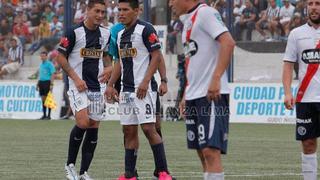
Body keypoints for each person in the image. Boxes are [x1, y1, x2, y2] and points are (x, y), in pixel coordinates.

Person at [105, 0, 173, 179]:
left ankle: (163, 172)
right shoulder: (119, 34)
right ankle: (130, 174)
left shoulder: (146, 29)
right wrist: (111, 84)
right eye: (119, 9)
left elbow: (157, 55)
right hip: (126, 92)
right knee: (128, 131)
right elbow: (119, 62)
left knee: (149, 129)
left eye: (125, 9)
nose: (121, 13)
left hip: (143, 90)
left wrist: (146, 81)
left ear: (136, 11)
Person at [170, 0, 235, 179]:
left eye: (172, 0)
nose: (170, 4)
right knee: (201, 151)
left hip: (211, 94)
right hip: (193, 94)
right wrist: (185, 94)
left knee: (210, 151)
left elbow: (228, 42)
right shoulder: (187, 22)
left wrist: (216, 78)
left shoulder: (206, 13)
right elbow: (194, 63)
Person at [55, 0, 111, 179]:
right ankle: (69, 164)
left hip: (98, 86)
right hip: (78, 85)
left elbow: (107, 57)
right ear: (88, 10)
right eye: (97, 11)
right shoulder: (73, 33)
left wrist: (109, 75)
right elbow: (60, 57)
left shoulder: (106, 34)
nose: (100, 16)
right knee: (83, 122)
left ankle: (83, 172)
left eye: (103, 12)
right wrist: (76, 78)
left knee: (94, 125)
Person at [283, 0, 320, 180]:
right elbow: (288, 64)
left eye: (318, 3)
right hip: (306, 98)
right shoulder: (296, 34)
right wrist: (287, 92)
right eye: (311, 3)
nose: (314, 7)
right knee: (308, 143)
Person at [37, 51, 55, 120]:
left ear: (46, 56)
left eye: (43, 56)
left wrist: (51, 84)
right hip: (41, 82)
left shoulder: (50, 64)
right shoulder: (41, 64)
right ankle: (44, 115)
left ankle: (49, 115)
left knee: (48, 99)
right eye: (41, 56)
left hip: (47, 82)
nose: (42, 57)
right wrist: (37, 83)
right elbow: (40, 75)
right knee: (43, 99)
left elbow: (53, 74)